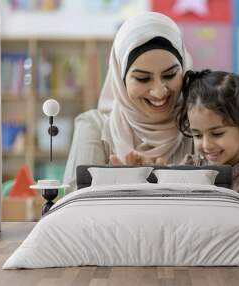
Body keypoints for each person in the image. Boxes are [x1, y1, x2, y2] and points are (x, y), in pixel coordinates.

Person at [63, 12, 194, 189]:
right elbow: (74, 207)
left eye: (170, 75)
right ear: (120, 79)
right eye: (142, 78)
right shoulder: (94, 127)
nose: (159, 92)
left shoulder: (199, 126)